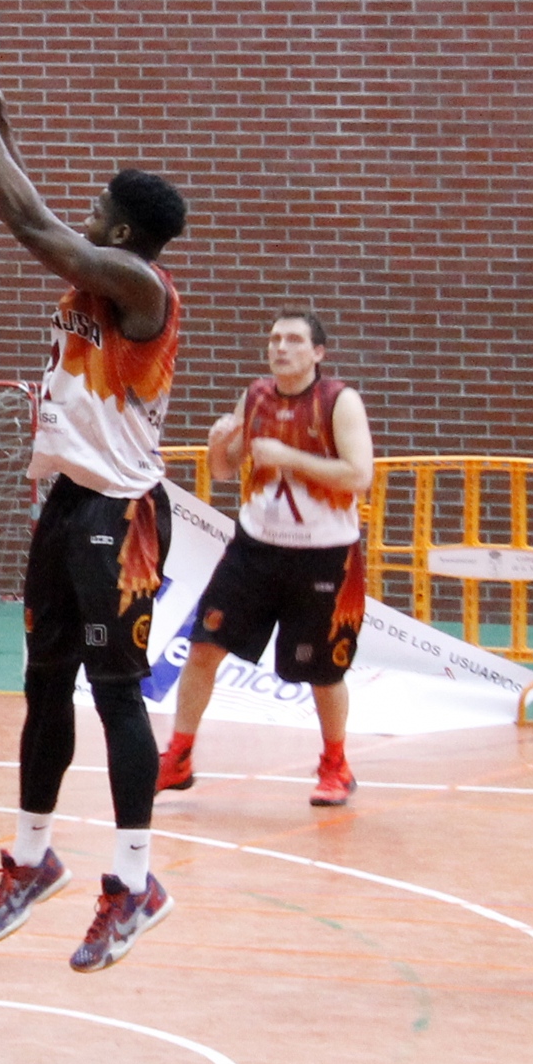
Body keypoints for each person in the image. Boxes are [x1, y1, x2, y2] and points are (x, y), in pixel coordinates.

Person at [0, 77, 188, 973]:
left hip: (123, 513)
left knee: (114, 695)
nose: (85, 214)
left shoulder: (139, 287)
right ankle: (32, 859)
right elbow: (35, 211)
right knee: (43, 685)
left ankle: (136, 881)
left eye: (97, 210)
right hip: (68, 501)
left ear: (120, 234)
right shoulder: (100, 261)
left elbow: (35, 228)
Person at [160, 310, 375, 806]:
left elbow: (359, 475)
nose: (281, 347)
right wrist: (218, 446)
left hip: (323, 555)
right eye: (275, 338)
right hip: (255, 546)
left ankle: (335, 764)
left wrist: (290, 458)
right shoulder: (254, 396)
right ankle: (180, 754)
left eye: (294, 340)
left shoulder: (339, 401)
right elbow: (222, 472)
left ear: (318, 353)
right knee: (204, 645)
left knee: (323, 671)